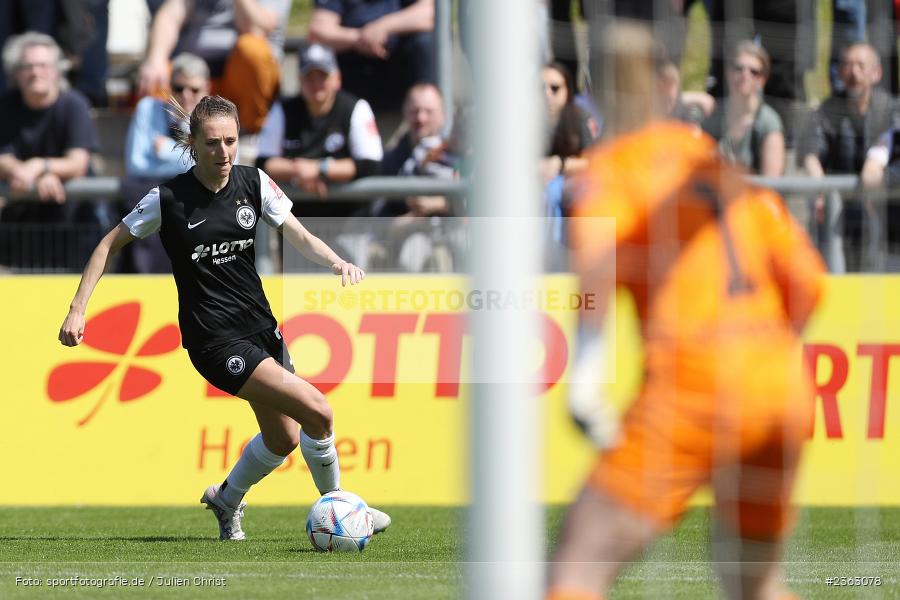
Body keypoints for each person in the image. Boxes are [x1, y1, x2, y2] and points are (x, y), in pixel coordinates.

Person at [547, 22, 826, 600]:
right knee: (755, 581)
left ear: (596, 96)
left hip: (694, 384)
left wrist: (587, 376)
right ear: (667, 87)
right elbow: (808, 284)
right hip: (778, 389)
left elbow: (596, 266)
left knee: (576, 566)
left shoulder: (614, 170)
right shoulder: (713, 164)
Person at [57, 95, 392, 541]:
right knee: (319, 410)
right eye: (213, 143)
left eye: (231, 141)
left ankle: (226, 499)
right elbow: (106, 244)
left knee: (283, 439)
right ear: (193, 143)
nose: (224, 152)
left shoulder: (254, 183)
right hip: (215, 340)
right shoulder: (168, 198)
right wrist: (78, 309)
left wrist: (335, 261)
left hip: (261, 328)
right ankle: (344, 508)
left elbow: (299, 233)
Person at [256, 43, 383, 266]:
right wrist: (298, 172)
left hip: (348, 222)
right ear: (299, 79)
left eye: (322, 76)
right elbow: (263, 163)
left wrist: (320, 169)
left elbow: (370, 164)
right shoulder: (284, 110)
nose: (316, 84)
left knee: (350, 287)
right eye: (309, 77)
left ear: (337, 78)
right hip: (298, 227)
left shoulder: (355, 108)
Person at [0, 31, 100, 270]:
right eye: (28, 66)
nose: (36, 72)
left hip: (74, 224)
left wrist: (39, 167)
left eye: (43, 65)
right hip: (23, 225)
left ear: (57, 70)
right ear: (15, 73)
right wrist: (28, 172)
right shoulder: (5, 106)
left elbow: (78, 163)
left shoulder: (74, 105)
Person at [798, 41, 900, 272]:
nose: (853, 72)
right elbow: (811, 152)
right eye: (847, 65)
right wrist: (819, 187)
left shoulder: (892, 108)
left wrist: (877, 176)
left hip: (887, 216)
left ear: (877, 73)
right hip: (840, 214)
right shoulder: (828, 109)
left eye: (861, 66)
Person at [136, 0, 290, 134]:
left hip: (239, 82)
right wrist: (156, 58)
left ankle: (250, 133)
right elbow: (169, 17)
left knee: (253, 50)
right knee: (155, 79)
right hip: (194, 74)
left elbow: (257, 28)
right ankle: (168, 138)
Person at [122, 52, 211, 273]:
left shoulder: (216, 117)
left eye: (195, 89)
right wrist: (194, 158)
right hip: (152, 205)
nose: (186, 96)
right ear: (169, 87)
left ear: (207, 88)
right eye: (179, 88)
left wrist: (167, 151)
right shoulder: (148, 108)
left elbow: (227, 163)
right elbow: (135, 165)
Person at [371, 82, 460, 272]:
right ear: (405, 113)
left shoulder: (457, 159)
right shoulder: (391, 161)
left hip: (452, 244)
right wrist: (411, 219)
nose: (421, 118)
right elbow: (380, 215)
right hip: (398, 245)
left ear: (443, 115)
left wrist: (440, 204)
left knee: (435, 255)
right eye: (415, 111)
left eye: (429, 111)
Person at [307, 0, 436, 113]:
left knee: (424, 42)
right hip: (352, 73)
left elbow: (430, 13)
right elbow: (318, 29)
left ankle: (423, 112)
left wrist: (383, 26)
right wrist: (360, 38)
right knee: (316, 53)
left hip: (399, 72)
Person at [702, 40, 785, 177]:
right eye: (738, 68)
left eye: (754, 72)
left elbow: (772, 185)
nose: (745, 75)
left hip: (753, 197)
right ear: (728, 73)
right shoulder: (713, 114)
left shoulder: (768, 122)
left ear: (762, 79)